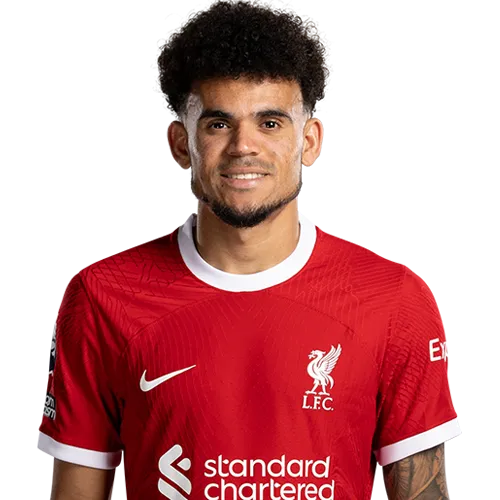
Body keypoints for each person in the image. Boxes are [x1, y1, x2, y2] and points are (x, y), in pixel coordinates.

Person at [37, 0, 462, 498]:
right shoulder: (102, 296)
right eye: (218, 124)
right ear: (180, 144)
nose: (243, 146)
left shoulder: (393, 298)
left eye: (270, 123)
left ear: (310, 141)